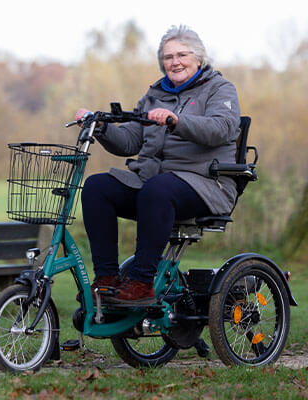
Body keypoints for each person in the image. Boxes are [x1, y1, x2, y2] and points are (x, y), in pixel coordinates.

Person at [75, 25, 241, 304]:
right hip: (155, 184)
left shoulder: (220, 89)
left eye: (182, 55)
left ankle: (141, 282)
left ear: (198, 58)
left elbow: (221, 129)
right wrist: (101, 126)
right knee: (96, 187)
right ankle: (106, 280)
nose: (174, 62)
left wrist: (177, 120)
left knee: (158, 189)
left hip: (206, 184)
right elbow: (129, 140)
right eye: (167, 57)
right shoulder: (155, 95)